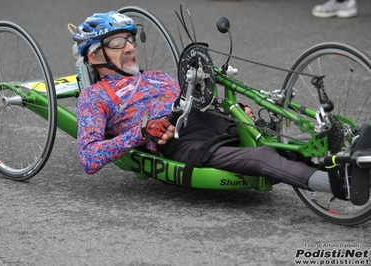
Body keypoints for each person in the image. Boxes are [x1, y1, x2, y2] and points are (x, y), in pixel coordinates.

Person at [74, 11, 370, 205]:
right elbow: (89, 157)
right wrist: (142, 131)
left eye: (130, 39)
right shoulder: (94, 96)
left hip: (211, 120)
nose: (129, 48)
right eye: (117, 42)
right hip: (181, 141)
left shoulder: (156, 77)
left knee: (283, 140)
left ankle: (349, 153)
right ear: (96, 54)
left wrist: (231, 108)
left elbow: (195, 97)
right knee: (263, 156)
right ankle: (338, 184)